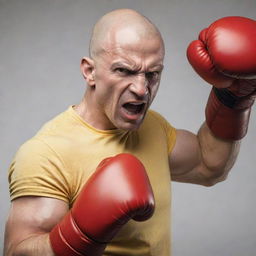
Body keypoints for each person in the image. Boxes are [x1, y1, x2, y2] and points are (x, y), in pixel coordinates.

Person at [3, 8, 256, 256]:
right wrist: (80, 235)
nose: (141, 89)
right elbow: (18, 251)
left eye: (152, 74)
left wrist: (234, 98)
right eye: (124, 70)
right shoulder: (46, 153)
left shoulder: (153, 127)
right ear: (90, 71)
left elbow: (209, 166)